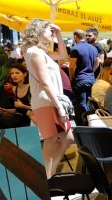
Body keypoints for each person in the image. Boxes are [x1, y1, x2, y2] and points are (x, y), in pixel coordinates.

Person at [21, 19, 74, 179]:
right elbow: (45, 82)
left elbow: (63, 56)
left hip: (50, 101)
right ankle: (46, 177)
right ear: (38, 31)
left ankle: (49, 174)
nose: (52, 32)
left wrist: (59, 34)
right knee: (51, 141)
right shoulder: (35, 52)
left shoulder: (39, 52)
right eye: (48, 30)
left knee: (67, 137)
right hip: (47, 101)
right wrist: (60, 107)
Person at [68, 29, 99, 116]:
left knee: (81, 104)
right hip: (91, 79)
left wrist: (71, 77)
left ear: (75, 37)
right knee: (88, 102)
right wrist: (91, 72)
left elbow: (71, 67)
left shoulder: (75, 49)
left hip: (80, 79)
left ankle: (83, 121)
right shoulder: (93, 48)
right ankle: (89, 119)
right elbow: (97, 63)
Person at [0, 63, 32, 128]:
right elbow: (18, 110)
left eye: (17, 73)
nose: (14, 75)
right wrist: (6, 110)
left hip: (31, 118)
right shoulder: (14, 89)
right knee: (3, 118)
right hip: (21, 118)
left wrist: (23, 106)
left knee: (6, 120)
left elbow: (36, 109)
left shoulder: (31, 88)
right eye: (12, 73)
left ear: (25, 74)